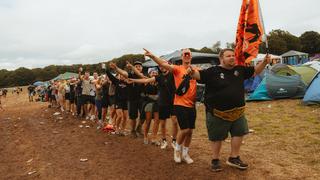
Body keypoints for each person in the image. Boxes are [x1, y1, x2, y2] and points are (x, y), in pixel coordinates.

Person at [190, 48, 270, 171]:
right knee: (217, 137)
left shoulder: (239, 69)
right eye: (228, 56)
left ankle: (234, 158)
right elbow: (197, 75)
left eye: (233, 55)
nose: (232, 57)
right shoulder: (212, 71)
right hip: (217, 112)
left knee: (239, 133)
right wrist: (190, 71)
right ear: (221, 58)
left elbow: (255, 71)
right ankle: (215, 159)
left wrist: (264, 62)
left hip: (238, 111)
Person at [144, 48, 197, 164]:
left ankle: (185, 153)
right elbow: (163, 64)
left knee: (190, 131)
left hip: (192, 105)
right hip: (179, 104)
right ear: (182, 57)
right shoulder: (177, 69)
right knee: (185, 129)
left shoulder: (195, 69)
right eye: (185, 54)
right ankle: (177, 149)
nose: (187, 56)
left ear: (191, 57)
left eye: (189, 54)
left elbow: (201, 77)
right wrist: (152, 56)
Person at [129, 65, 177, 149]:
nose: (154, 73)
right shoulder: (147, 80)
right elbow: (140, 75)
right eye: (152, 72)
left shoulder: (158, 79)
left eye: (155, 72)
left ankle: (154, 138)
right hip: (148, 103)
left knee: (157, 121)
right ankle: (145, 136)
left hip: (158, 103)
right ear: (149, 73)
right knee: (147, 121)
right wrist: (132, 73)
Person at [110, 61, 145, 138]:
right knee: (133, 117)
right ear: (133, 68)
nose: (138, 67)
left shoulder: (143, 76)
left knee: (143, 116)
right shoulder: (130, 75)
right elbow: (123, 73)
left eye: (139, 66)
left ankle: (139, 127)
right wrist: (116, 68)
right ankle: (133, 130)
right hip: (132, 99)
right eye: (136, 66)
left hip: (142, 99)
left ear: (142, 68)